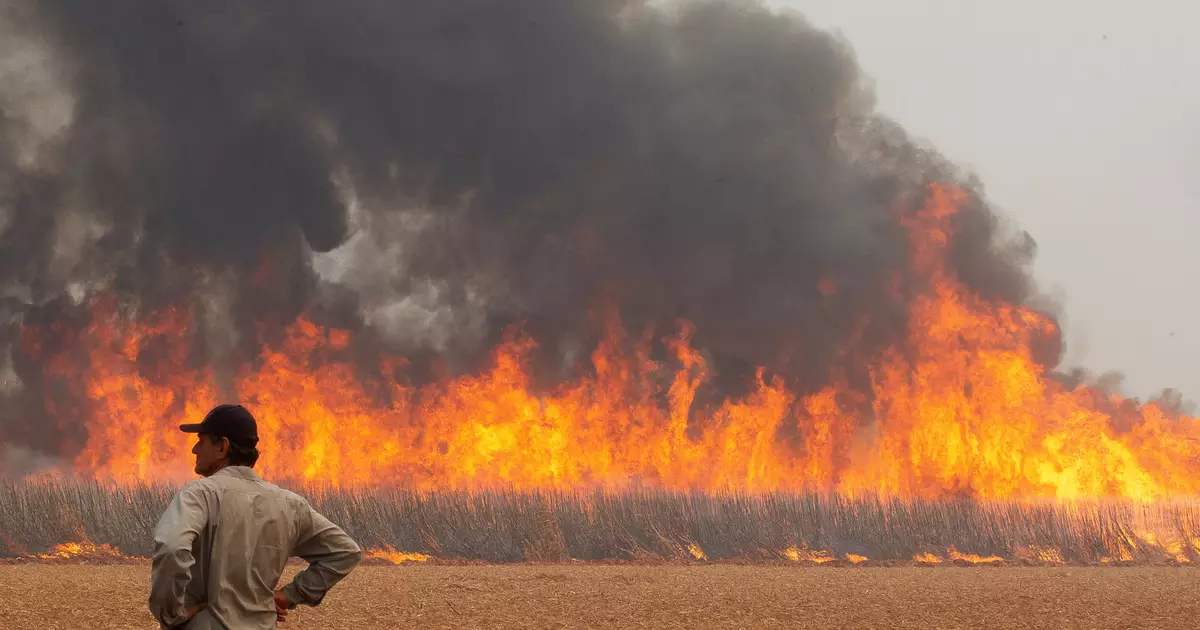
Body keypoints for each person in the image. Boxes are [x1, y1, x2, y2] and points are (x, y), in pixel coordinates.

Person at [148, 404, 362, 629]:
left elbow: (171, 547)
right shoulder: (290, 504)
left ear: (222, 447)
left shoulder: (199, 495)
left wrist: (172, 613)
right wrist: (289, 595)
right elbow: (344, 552)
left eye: (201, 440)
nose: (194, 449)